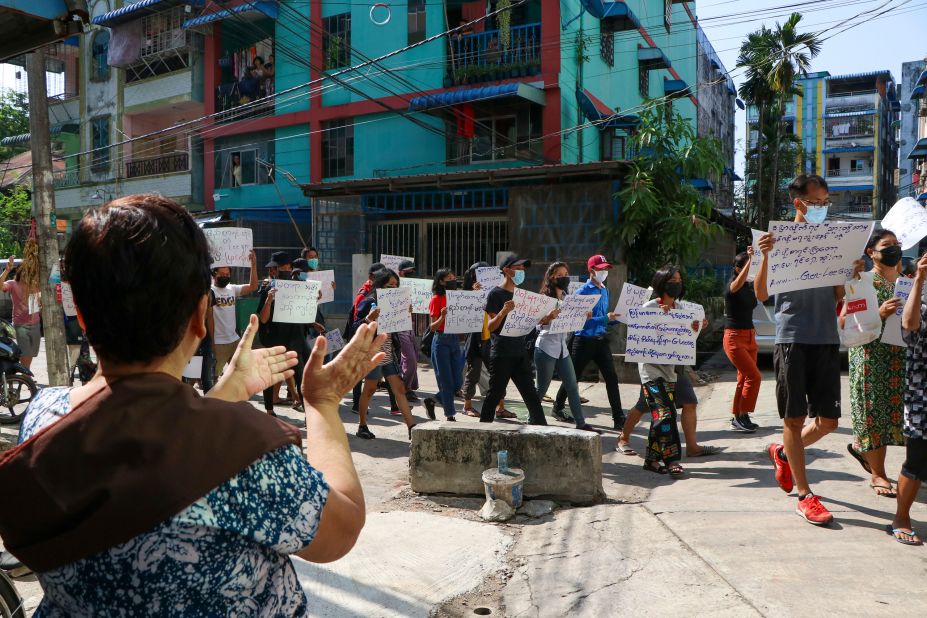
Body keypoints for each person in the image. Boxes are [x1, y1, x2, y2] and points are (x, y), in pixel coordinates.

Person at [0, 194, 379, 613]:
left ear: (83, 318)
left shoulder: (42, 417)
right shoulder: (250, 453)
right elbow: (341, 530)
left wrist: (224, 396)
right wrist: (322, 403)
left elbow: (148, 441)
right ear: (201, 315)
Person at [755, 173, 865, 526]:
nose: (822, 208)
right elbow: (760, 294)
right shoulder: (777, 241)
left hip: (826, 338)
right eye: (816, 202)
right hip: (792, 337)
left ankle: (785, 453)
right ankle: (805, 495)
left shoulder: (834, 241)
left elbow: (837, 296)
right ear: (798, 202)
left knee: (829, 421)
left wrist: (851, 273)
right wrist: (766, 257)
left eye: (826, 202)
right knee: (794, 418)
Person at [844, 230, 905, 497]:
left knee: (900, 415)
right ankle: (878, 474)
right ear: (872, 252)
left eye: (897, 245)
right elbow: (847, 322)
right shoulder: (861, 282)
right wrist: (878, 314)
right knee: (873, 416)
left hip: (902, 359)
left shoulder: (908, 283)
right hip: (871, 359)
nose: (893, 249)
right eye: (886, 245)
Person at [552, 255, 624, 429]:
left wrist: (617, 318)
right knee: (573, 377)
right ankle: (558, 407)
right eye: (601, 269)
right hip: (583, 340)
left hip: (600, 340)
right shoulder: (582, 293)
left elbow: (603, 319)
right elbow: (579, 321)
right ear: (591, 270)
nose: (604, 272)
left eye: (606, 269)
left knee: (611, 378)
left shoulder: (604, 290)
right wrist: (605, 319)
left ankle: (619, 417)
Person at [479, 255, 549, 425]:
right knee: (494, 394)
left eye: (523, 269)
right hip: (502, 353)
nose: (521, 272)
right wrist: (503, 312)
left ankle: (542, 428)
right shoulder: (495, 294)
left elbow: (530, 321)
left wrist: (546, 318)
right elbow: (491, 327)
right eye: (518, 269)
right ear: (507, 270)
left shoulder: (522, 295)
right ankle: (482, 429)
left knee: (531, 395)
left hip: (520, 352)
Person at [352, 269, 418, 439]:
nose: (394, 288)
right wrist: (369, 319)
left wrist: (405, 314)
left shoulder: (396, 302)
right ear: (381, 285)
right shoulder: (369, 302)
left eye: (396, 285)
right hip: (373, 354)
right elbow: (354, 327)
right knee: (370, 389)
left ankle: (411, 426)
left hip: (388, 353)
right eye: (390, 285)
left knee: (399, 390)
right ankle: (362, 425)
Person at [535, 262, 598, 433]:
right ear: (551, 277)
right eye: (559, 274)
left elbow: (571, 324)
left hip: (562, 349)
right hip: (546, 348)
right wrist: (547, 317)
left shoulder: (566, 298)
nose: (564, 277)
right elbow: (537, 327)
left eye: (566, 273)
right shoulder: (544, 299)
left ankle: (581, 423)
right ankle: (532, 418)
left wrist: (583, 316)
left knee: (572, 386)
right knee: (541, 388)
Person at [892, 252, 927, 545]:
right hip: (921, 396)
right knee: (916, 461)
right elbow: (909, 324)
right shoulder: (919, 294)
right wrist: (919, 280)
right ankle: (901, 517)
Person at [460, 262, 513, 419]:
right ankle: (467, 406)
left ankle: (500, 407)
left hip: (493, 338)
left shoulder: (498, 292)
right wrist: (475, 295)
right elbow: (465, 315)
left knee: (498, 373)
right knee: (473, 372)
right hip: (476, 339)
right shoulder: (467, 294)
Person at [258, 251, 305, 414]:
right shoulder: (267, 289)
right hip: (274, 340)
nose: (283, 270)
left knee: (301, 377)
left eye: (285, 267)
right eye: (278, 268)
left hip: (295, 339)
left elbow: (303, 311)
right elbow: (263, 320)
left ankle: (307, 412)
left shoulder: (299, 286)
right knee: (270, 376)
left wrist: (314, 300)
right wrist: (269, 301)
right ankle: (269, 411)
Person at [723, 249, 762, 433]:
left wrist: (764, 257)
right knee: (754, 376)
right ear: (738, 268)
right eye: (748, 265)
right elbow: (735, 286)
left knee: (744, 377)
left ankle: (738, 417)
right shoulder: (732, 285)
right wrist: (751, 260)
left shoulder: (748, 285)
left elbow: (763, 291)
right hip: (734, 337)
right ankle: (742, 415)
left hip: (749, 335)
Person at [208, 249, 259, 380]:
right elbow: (209, 319)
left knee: (240, 373)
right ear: (214, 274)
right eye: (222, 274)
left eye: (227, 273)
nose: (225, 276)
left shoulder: (232, 289)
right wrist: (212, 341)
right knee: (213, 377)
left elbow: (253, 286)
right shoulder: (209, 291)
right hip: (218, 343)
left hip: (234, 339)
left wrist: (253, 264)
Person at [428, 268, 464, 420]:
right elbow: (432, 327)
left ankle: (432, 400)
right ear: (442, 281)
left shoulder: (457, 297)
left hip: (455, 341)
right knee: (446, 382)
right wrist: (442, 317)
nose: (453, 279)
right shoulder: (436, 299)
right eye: (449, 277)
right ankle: (450, 414)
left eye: (453, 276)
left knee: (457, 383)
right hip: (441, 341)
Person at [1, 256, 40, 369]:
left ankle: (23, 369)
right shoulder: (13, 283)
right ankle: (25, 373)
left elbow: (39, 300)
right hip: (20, 324)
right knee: (26, 351)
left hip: (36, 323)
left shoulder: (35, 284)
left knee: (32, 352)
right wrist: (7, 270)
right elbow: (0, 286)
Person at [395, 259, 421, 402]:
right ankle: (404, 388)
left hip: (409, 325)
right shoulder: (394, 288)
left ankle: (409, 387)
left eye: (413, 271)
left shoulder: (415, 287)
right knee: (409, 359)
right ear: (400, 273)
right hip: (399, 327)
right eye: (408, 272)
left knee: (413, 357)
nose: (412, 274)